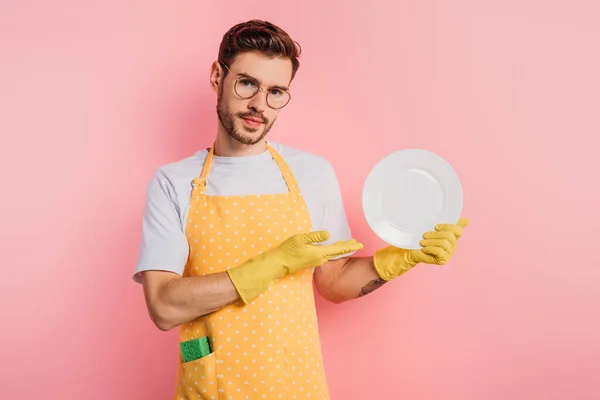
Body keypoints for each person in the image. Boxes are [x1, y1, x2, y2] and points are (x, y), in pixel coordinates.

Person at [133, 19, 469, 400]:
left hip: (296, 385)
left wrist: (402, 257)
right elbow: (163, 306)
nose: (260, 105)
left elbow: (333, 281)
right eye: (247, 83)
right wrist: (274, 263)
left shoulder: (312, 173)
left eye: (276, 91)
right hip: (213, 386)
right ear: (217, 76)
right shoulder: (173, 183)